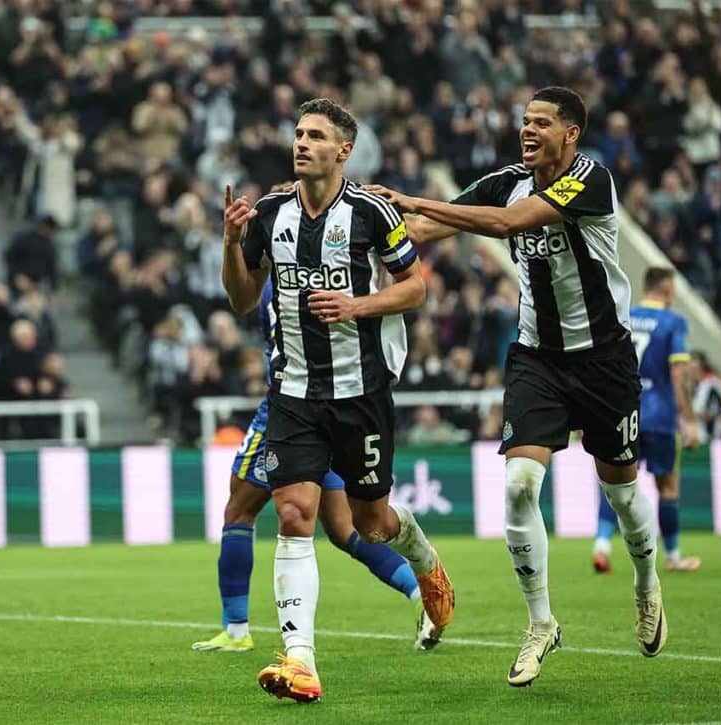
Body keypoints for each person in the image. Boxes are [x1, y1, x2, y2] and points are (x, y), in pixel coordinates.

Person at [369, 86, 666, 687]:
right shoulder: (506, 180)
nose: (527, 130)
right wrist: (368, 224)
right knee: (520, 485)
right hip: (539, 359)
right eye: (524, 121)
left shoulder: (591, 180)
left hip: (605, 360)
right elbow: (425, 229)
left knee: (622, 492)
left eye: (541, 123)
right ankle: (540, 624)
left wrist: (411, 197)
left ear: (571, 134)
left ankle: (646, 582)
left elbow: (507, 223)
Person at [221, 98, 454, 704]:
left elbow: (415, 289)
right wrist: (231, 242)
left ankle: (425, 562)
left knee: (370, 525)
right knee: (294, 515)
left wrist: (357, 306)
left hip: (361, 393)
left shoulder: (372, 213)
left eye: (316, 136)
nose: (301, 143)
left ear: (343, 150)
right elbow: (242, 299)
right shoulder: (269, 213)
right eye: (298, 133)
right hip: (293, 392)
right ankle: (300, 660)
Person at [192, 279, 436, 654]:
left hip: (289, 413)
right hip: (338, 409)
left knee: (239, 511)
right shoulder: (329, 274)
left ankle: (237, 629)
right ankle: (421, 594)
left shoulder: (283, 280)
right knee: (344, 529)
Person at [592, 267, 702, 574]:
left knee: (616, 482)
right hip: (659, 415)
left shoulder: (624, 315)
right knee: (667, 486)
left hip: (623, 412)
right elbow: (678, 374)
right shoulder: (673, 322)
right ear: (667, 290)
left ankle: (601, 546)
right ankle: (674, 555)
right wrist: (688, 420)